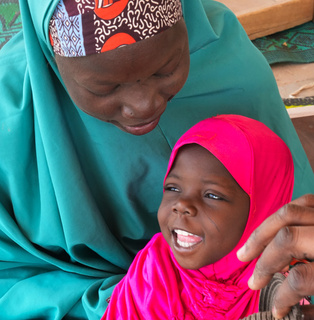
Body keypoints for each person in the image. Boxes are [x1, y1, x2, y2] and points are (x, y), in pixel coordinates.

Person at [0, 0, 313, 319]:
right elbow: (8, 276)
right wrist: (133, 300)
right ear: (51, 59)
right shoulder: (10, 119)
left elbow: (291, 215)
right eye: (105, 87)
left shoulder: (229, 62)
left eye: (166, 68)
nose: (144, 105)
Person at [102, 114, 303, 320]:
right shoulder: (154, 267)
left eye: (212, 195)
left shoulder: (285, 286)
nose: (181, 205)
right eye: (172, 187)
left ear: (262, 209)